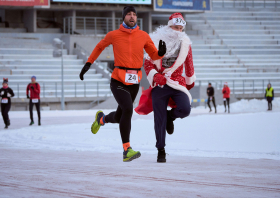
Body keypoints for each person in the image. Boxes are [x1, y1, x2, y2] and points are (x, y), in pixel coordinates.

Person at [79, 6, 166, 162]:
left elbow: (153, 54)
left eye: (134, 14)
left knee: (121, 116)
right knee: (128, 109)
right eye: (128, 14)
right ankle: (127, 150)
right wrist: (88, 63)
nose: (132, 16)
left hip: (134, 82)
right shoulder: (114, 35)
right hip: (118, 80)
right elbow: (100, 47)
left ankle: (101, 119)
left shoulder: (143, 36)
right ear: (123, 17)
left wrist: (161, 53)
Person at [135, 13, 196, 163]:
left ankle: (171, 116)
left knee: (185, 109)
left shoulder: (185, 44)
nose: (178, 31)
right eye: (176, 27)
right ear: (169, 26)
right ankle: (161, 150)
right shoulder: (155, 41)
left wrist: (190, 81)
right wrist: (155, 76)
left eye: (181, 28)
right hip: (160, 83)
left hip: (177, 83)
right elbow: (148, 63)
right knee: (159, 119)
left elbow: (189, 63)